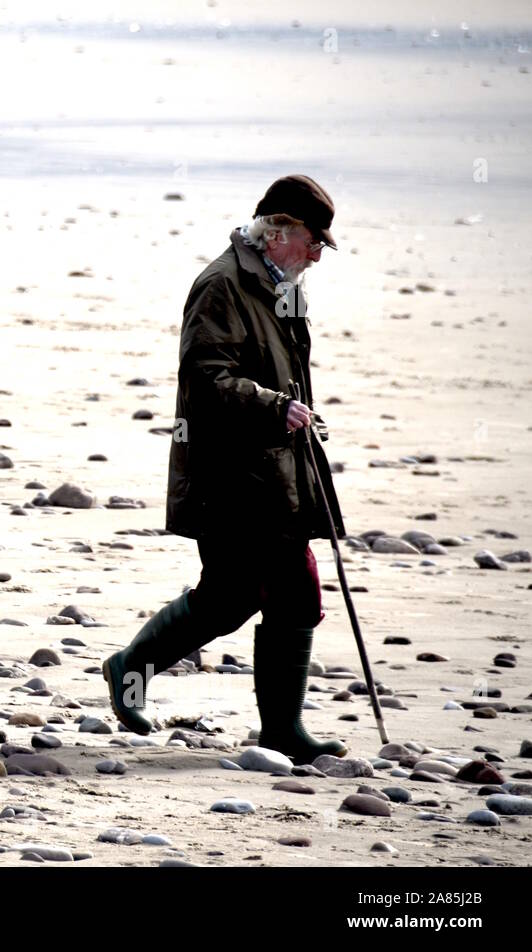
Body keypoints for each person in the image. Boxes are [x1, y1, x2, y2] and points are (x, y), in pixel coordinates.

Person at [103, 174, 349, 763]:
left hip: (270, 470)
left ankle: (130, 667)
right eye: (313, 241)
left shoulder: (279, 283)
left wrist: (291, 414)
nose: (317, 255)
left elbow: (281, 370)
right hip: (230, 476)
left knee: (230, 597)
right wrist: (274, 407)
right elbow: (206, 380)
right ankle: (282, 731)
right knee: (290, 588)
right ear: (279, 231)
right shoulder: (222, 285)